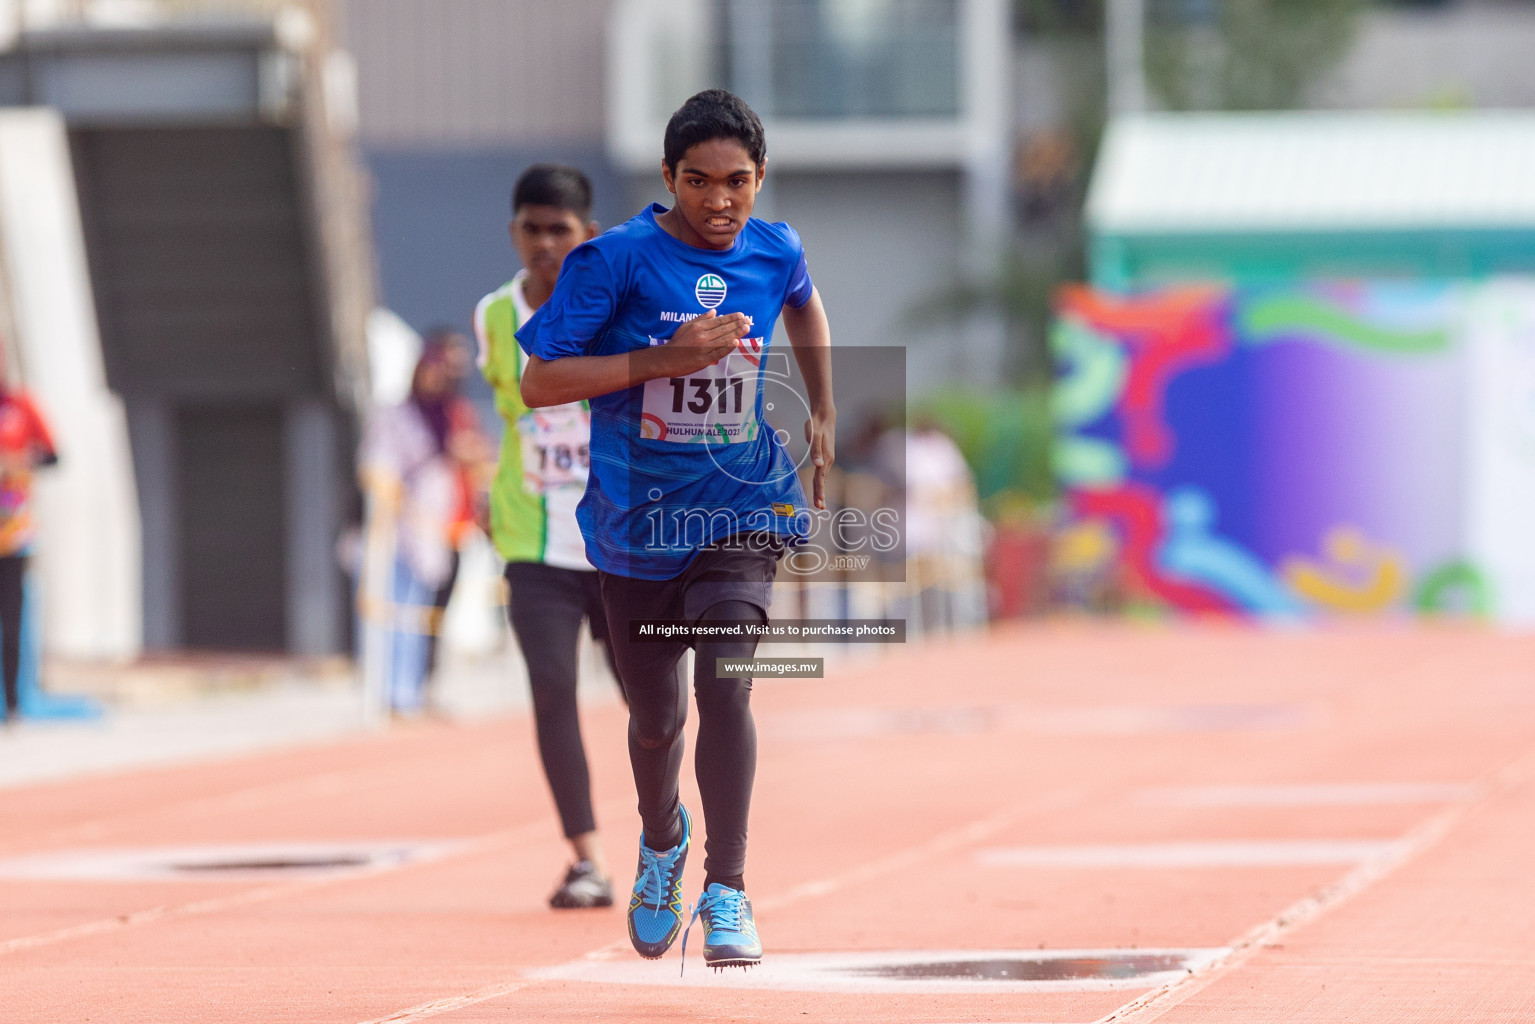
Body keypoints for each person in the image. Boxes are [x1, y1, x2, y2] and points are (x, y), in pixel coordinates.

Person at [518, 90, 835, 970]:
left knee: (726, 684)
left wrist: (823, 406)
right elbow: (540, 381)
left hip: (740, 506)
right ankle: (661, 840)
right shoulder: (610, 262)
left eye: (737, 182)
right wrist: (664, 361)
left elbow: (805, 304)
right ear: (668, 178)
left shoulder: (776, 248)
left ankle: (726, 888)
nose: (719, 201)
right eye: (698, 182)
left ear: (760, 179)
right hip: (635, 524)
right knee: (654, 720)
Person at [475, 164, 622, 909]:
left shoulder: (618, 307)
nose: (543, 243)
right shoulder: (493, 316)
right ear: (514, 232)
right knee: (552, 694)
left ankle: (672, 832)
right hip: (532, 542)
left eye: (558, 230)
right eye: (530, 229)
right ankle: (586, 858)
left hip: (619, 539)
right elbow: (507, 414)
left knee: (651, 698)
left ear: (585, 235)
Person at [358, 339, 481, 716]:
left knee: (419, 616)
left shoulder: (450, 414)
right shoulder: (394, 415)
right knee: (390, 613)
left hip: (434, 530)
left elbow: (475, 456)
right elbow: (376, 470)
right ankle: (387, 694)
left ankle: (410, 694)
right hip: (394, 530)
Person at [0, 369, 58, 725]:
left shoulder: (23, 406)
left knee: (12, 617)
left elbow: (53, 455)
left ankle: (14, 705)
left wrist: (19, 462)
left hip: (14, 532)